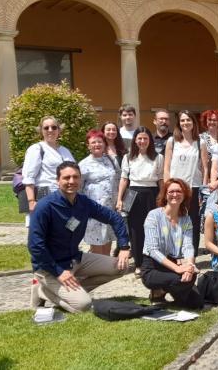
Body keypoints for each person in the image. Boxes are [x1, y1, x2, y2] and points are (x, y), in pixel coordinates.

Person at [28, 161, 130, 313]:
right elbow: (35, 246)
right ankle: (43, 290)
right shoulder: (45, 207)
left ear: (80, 179)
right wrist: (58, 272)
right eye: (66, 178)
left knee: (121, 266)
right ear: (58, 181)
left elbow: (115, 218)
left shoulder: (83, 202)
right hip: (49, 267)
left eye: (75, 177)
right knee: (82, 306)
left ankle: (72, 290)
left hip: (74, 259)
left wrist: (124, 247)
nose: (71, 181)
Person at [141, 178, 202, 308]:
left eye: (179, 191)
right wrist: (178, 269)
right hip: (153, 267)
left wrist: (189, 266)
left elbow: (187, 246)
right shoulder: (154, 216)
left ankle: (169, 291)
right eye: (171, 191)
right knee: (180, 280)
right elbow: (153, 250)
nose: (175, 194)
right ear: (165, 195)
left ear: (184, 195)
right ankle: (158, 291)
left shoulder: (185, 219)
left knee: (196, 302)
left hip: (172, 263)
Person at [116, 126, 163, 275]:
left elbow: (161, 180)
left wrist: (162, 197)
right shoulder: (128, 157)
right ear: (135, 140)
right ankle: (138, 263)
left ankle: (153, 261)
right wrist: (119, 199)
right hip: (132, 193)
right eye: (140, 138)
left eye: (145, 138)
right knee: (134, 229)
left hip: (151, 192)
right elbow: (124, 179)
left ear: (150, 140)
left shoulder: (158, 157)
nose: (142, 141)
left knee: (153, 228)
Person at [163, 110, 208, 253]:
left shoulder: (200, 142)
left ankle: (190, 254)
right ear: (179, 123)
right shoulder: (172, 141)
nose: (185, 123)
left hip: (193, 188)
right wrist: (167, 187)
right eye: (182, 120)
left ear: (194, 123)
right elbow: (166, 167)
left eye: (188, 120)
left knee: (192, 222)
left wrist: (203, 190)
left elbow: (205, 168)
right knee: (174, 220)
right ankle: (174, 252)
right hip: (175, 188)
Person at [22, 116, 75, 226]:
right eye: (46, 128)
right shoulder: (36, 149)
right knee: (45, 234)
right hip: (45, 196)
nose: (50, 130)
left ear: (59, 130)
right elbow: (28, 178)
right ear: (41, 131)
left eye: (54, 127)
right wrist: (31, 201)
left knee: (68, 231)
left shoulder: (65, 151)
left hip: (67, 197)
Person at [79, 130, 120, 256]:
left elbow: (118, 179)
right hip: (93, 209)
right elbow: (79, 188)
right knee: (96, 238)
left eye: (100, 142)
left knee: (107, 236)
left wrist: (118, 200)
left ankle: (106, 264)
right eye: (93, 142)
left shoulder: (112, 160)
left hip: (110, 208)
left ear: (104, 144)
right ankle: (97, 267)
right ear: (88, 146)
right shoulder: (83, 164)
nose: (97, 144)